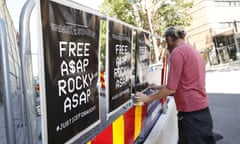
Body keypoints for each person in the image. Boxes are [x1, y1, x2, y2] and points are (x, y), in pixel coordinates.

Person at [136, 26, 216, 144]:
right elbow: (185, 82)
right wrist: (158, 87)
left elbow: (171, 89)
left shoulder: (177, 52)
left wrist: (148, 98)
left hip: (190, 115)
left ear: (169, 39)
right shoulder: (192, 50)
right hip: (203, 113)